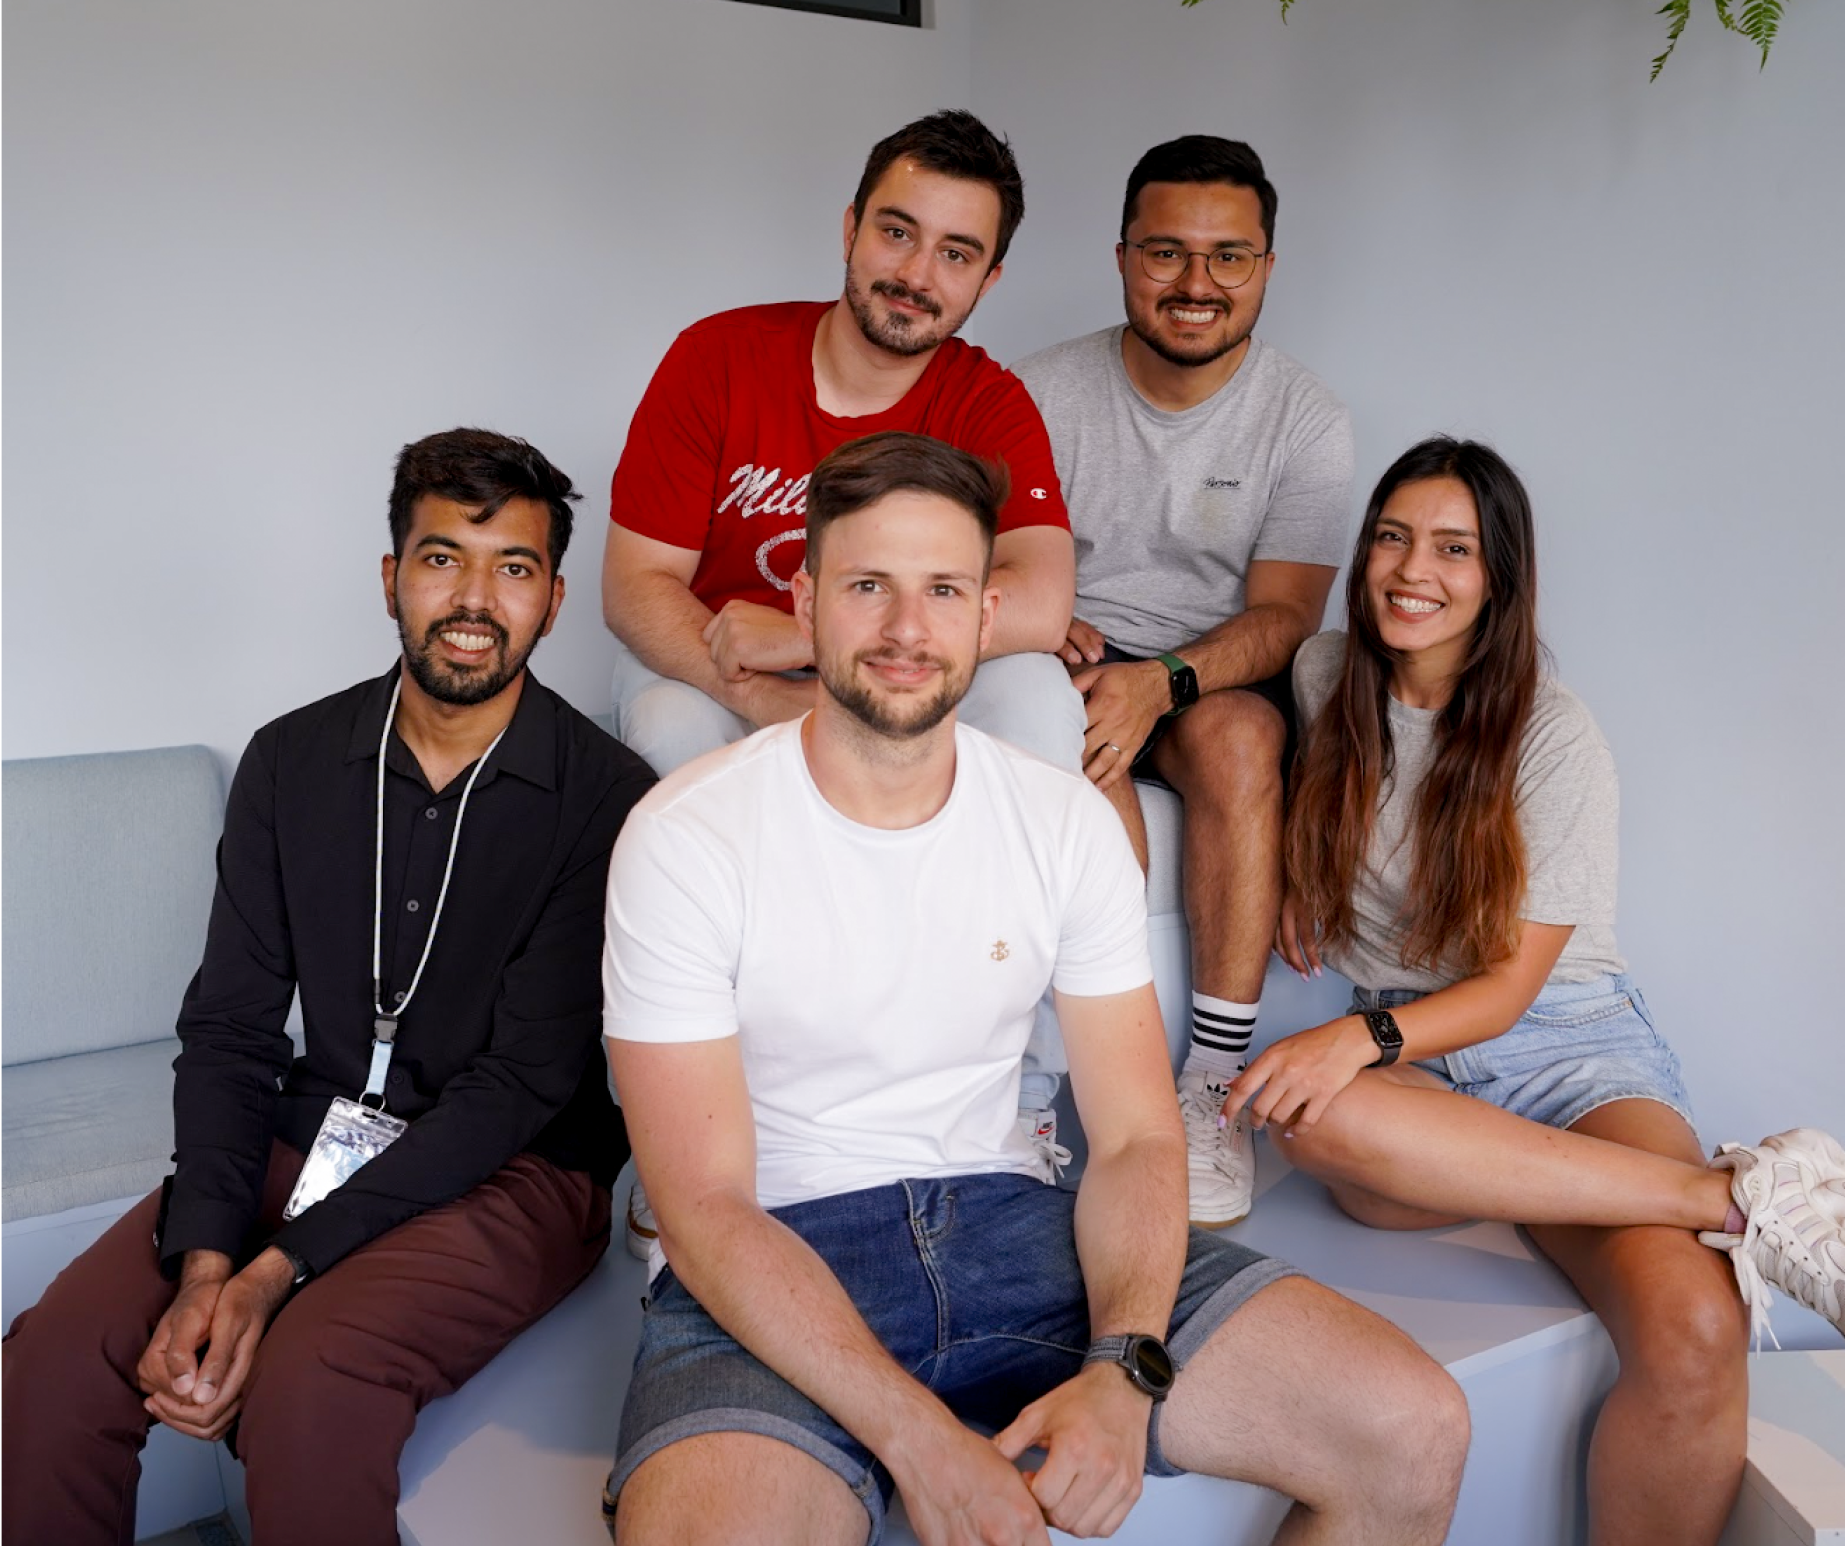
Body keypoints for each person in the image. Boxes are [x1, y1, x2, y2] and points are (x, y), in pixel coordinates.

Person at [602, 432, 1468, 1546]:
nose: (908, 631)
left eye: (942, 591)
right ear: (807, 601)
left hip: (1020, 1229)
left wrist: (1125, 1365)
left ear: (983, 614)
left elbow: (1139, 1142)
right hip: (775, 1258)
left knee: (1411, 1424)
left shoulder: (1058, 821)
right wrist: (917, 1439)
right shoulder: (685, 836)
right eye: (868, 587)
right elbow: (704, 1204)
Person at [1230, 436, 1845, 1546]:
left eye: (1453, 549)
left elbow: (1509, 992)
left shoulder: (1552, 735)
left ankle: (1701, 1205)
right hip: (1418, 1065)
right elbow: (1241, 758)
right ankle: (1746, 1198)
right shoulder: (1325, 677)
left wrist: (1358, 1034)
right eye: (1392, 536)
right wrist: (1279, 874)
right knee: (1314, 1115)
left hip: (1569, 1050)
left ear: (1498, 579)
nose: (1414, 569)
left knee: (1695, 1323)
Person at [0, 429, 655, 1546]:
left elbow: (522, 1081)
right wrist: (209, 1254)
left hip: (516, 1172)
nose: (475, 599)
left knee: (311, 1381)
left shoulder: (611, 799)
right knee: (53, 1364)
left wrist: (275, 1274)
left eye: (514, 568)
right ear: (391, 578)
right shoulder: (292, 759)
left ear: (551, 601)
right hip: (313, 1130)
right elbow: (228, 1027)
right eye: (443, 558)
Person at [604, 111, 1084, 1248]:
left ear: (989, 275)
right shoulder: (718, 354)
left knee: (1037, 701)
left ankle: (1014, 1101)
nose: (918, 274)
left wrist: (819, 641)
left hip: (884, 689)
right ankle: (693, 1140)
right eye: (898, 233)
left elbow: (1043, 599)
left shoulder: (985, 401)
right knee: (672, 723)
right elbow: (637, 588)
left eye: (955, 254)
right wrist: (771, 684)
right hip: (723, 685)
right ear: (850, 227)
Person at [1015, 136, 1353, 1227]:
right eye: (1165, 252)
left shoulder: (1306, 418)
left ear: (1266, 266)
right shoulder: (1043, 390)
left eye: (1228, 257)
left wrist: (1161, 680)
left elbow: (1287, 619)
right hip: (1064, 661)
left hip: (1208, 673)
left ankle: (1209, 1082)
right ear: (1121, 257)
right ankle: (1052, 1098)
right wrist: (1053, 625)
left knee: (1242, 741)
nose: (1196, 284)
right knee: (1080, 760)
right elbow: (996, 559)